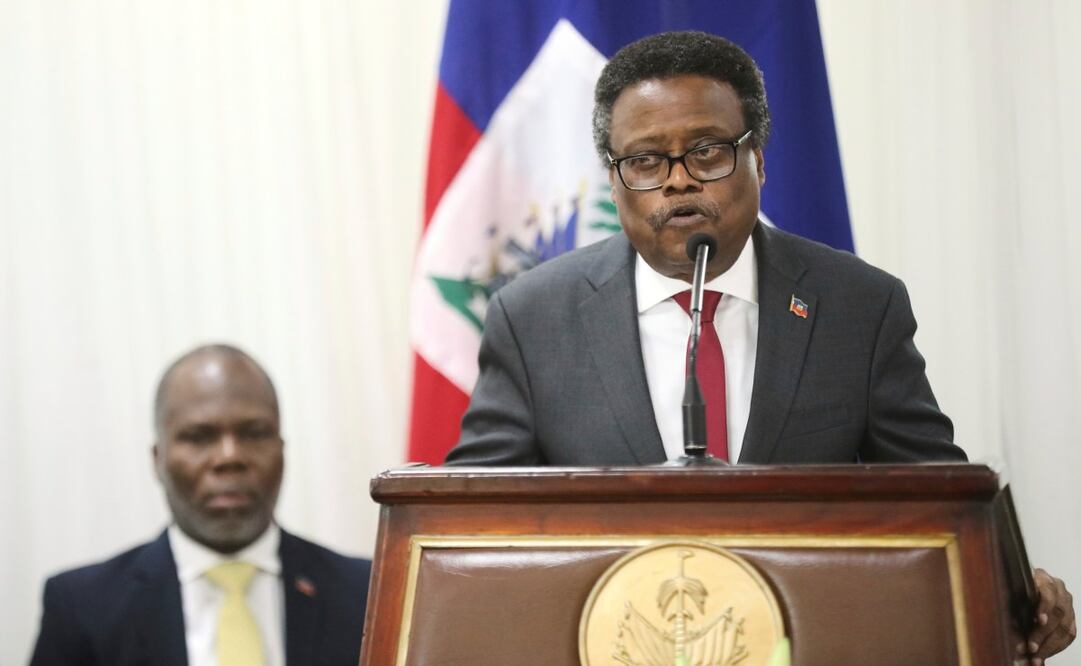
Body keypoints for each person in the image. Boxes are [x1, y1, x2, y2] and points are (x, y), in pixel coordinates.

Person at [445, 31, 1075, 662]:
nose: (679, 183)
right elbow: (470, 526)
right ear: (613, 179)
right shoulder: (534, 317)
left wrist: (1017, 588)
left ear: (759, 161)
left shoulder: (857, 304)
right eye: (645, 162)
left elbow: (939, 499)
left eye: (707, 152)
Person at [30, 344, 371, 665]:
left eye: (253, 433)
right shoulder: (82, 607)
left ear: (282, 449)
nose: (230, 457)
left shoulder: (369, 593)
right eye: (199, 437)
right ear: (157, 459)